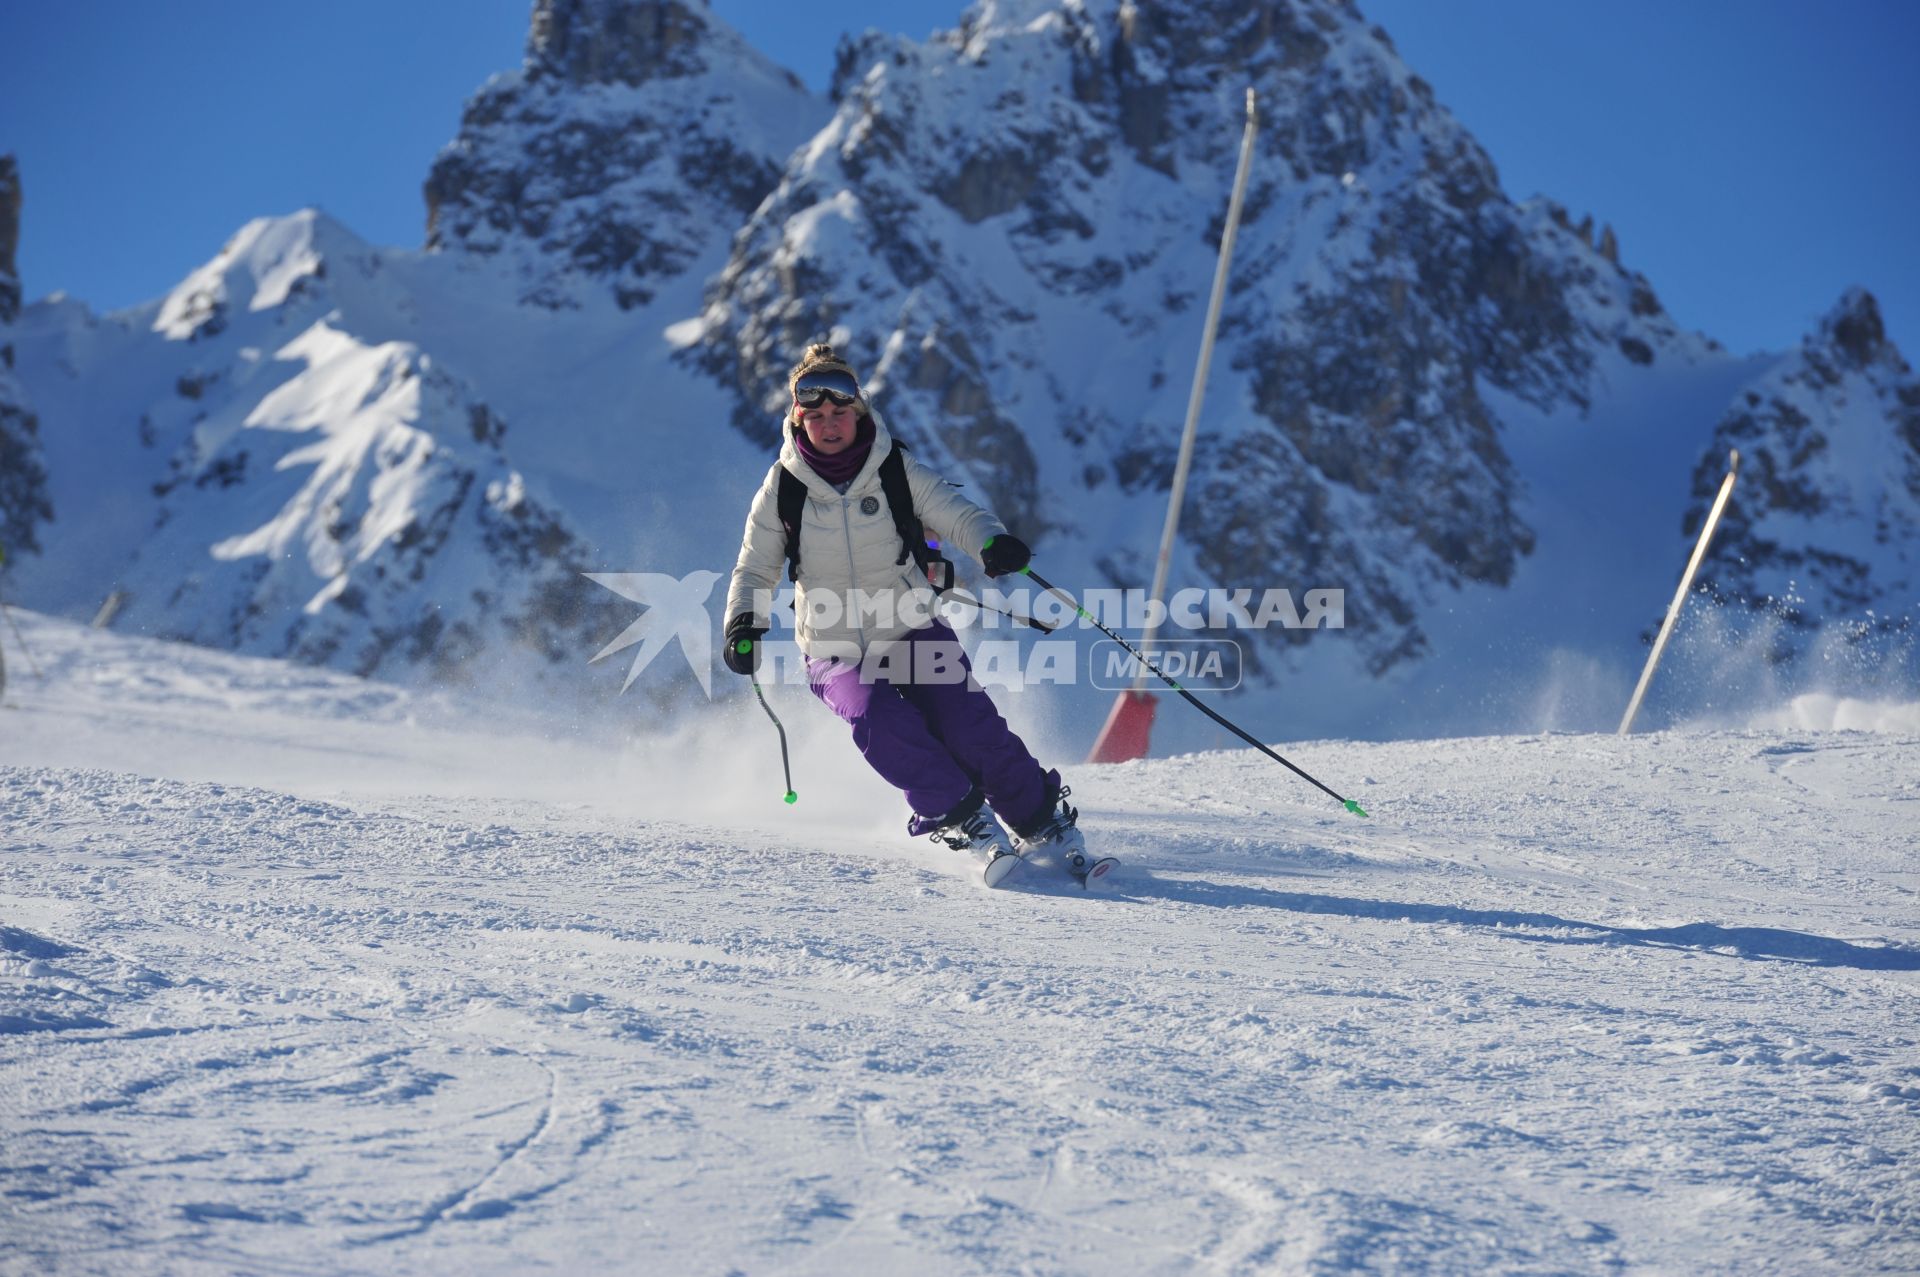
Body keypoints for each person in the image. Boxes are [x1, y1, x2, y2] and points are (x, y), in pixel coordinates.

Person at [723, 344, 1086, 886]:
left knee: (967, 723)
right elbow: (754, 571)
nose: (829, 425)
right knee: (878, 719)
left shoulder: (894, 469)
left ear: (859, 412)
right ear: (798, 419)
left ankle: (1041, 820)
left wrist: (992, 543)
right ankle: (963, 820)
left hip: (910, 627)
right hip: (832, 647)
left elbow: (955, 513)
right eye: (816, 416)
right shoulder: (782, 490)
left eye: (839, 413)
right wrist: (742, 623)